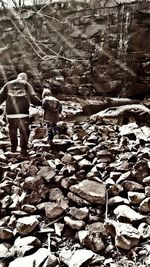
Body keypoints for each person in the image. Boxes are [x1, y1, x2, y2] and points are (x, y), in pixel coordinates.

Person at [0, 72, 41, 156]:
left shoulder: (8, 84)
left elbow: (0, 97)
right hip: (23, 114)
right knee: (24, 132)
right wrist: (41, 103)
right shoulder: (26, 84)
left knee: (12, 130)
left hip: (10, 114)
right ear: (25, 78)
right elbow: (33, 98)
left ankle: (13, 148)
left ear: (18, 77)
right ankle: (23, 150)